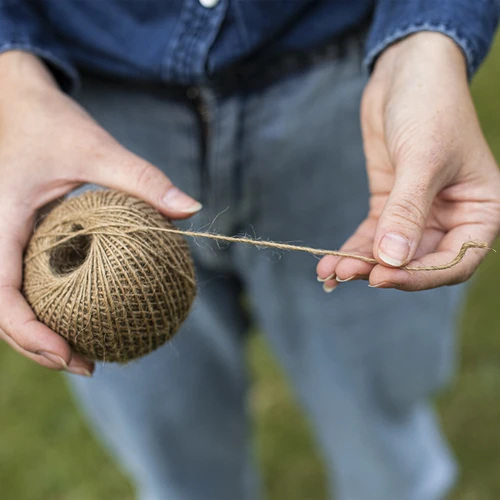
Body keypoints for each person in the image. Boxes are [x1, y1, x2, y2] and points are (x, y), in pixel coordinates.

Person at [1, 1, 500, 499]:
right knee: (174, 442)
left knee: (378, 404)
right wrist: (12, 82)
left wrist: (428, 40)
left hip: (345, 91)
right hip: (88, 112)